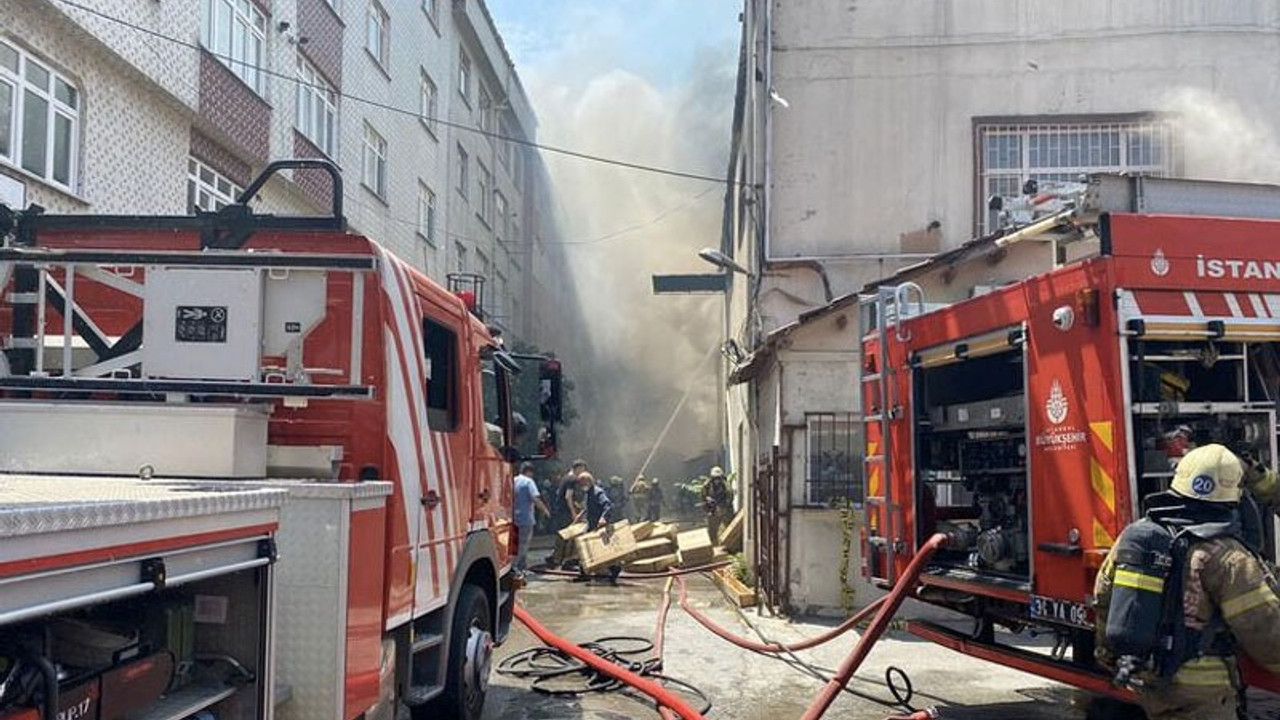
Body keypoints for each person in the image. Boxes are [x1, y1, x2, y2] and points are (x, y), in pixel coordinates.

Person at [1093, 444, 1280, 720]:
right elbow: (1263, 632)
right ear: (1233, 494)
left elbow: (1104, 597)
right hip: (1203, 694)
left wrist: (1110, 656)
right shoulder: (1227, 556)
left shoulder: (1137, 537)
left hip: (1149, 678)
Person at [574, 471, 622, 585]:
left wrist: (603, 518)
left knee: (600, 550)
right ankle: (584, 573)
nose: (581, 486)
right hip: (591, 524)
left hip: (599, 526)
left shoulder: (597, 492)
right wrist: (580, 515)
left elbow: (607, 505)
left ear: (589, 481)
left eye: (582, 483)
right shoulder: (589, 493)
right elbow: (588, 506)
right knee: (584, 549)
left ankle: (614, 568)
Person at [547, 459, 587, 568]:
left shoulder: (566, 478)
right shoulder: (572, 479)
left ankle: (555, 558)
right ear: (578, 468)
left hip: (561, 511)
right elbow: (568, 497)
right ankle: (567, 560)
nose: (583, 473)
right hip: (565, 512)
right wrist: (574, 513)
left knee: (562, 535)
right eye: (582, 470)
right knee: (571, 536)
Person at [512, 461, 549, 579]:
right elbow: (535, 498)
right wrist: (545, 510)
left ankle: (521, 568)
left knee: (515, 544)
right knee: (523, 544)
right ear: (529, 472)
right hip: (525, 519)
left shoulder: (513, 480)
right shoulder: (528, 482)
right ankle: (516, 569)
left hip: (513, 518)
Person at [702, 466, 733, 544]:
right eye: (715, 478)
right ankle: (713, 546)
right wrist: (709, 500)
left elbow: (730, 497)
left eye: (718, 478)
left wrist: (723, 506)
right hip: (713, 511)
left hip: (725, 510)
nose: (717, 480)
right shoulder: (707, 485)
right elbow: (703, 496)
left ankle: (730, 546)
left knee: (730, 529)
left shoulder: (726, 485)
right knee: (712, 532)